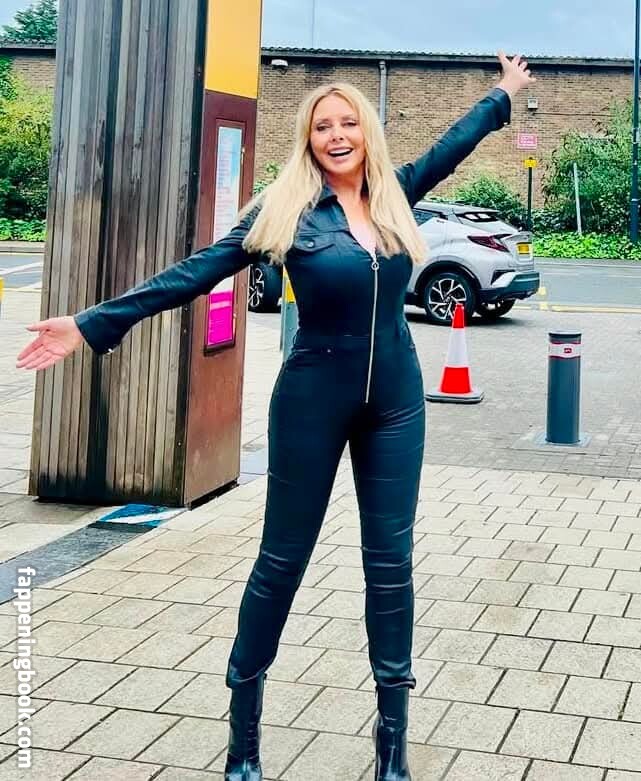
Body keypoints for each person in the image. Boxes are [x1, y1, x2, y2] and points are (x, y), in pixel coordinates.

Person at [17, 52, 534, 780]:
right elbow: (195, 272)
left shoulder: (395, 193)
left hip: (395, 402)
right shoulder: (285, 212)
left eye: (348, 122)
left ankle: (392, 746)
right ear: (308, 139)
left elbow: (454, 144)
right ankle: (244, 738)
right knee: (281, 562)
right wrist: (92, 322)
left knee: (390, 564)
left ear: (366, 130)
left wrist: (503, 94)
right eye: (322, 126)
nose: (337, 134)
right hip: (310, 401)